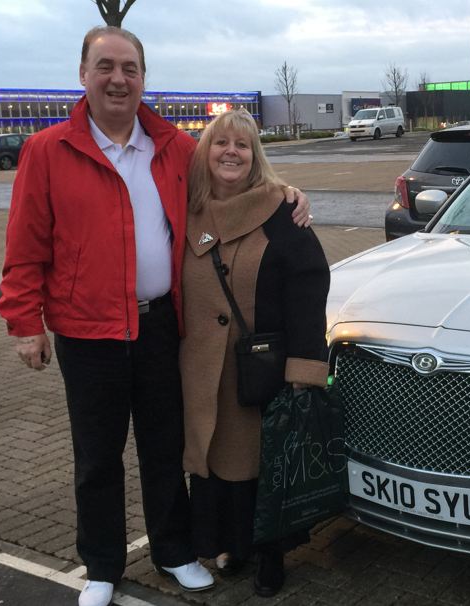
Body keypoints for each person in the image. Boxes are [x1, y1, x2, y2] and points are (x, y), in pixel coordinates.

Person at [0, 26, 311, 606]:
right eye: (105, 67)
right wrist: (24, 324)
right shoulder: (47, 152)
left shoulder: (176, 149)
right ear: (84, 75)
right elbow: (25, 248)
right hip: (86, 330)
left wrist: (284, 191)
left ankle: (172, 550)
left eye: (130, 68)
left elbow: (232, 180)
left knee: (166, 447)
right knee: (97, 456)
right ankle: (102, 566)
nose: (118, 79)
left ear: (144, 77)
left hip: (163, 324)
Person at [179, 108, 330, 597]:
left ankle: (269, 553)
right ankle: (228, 544)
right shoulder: (185, 208)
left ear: (254, 156)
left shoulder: (283, 210)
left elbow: (310, 287)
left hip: (261, 368)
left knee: (263, 466)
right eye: (221, 143)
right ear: (205, 153)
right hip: (202, 371)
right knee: (215, 463)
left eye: (242, 145)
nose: (231, 152)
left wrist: (305, 370)